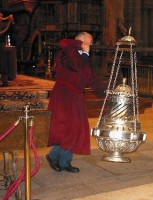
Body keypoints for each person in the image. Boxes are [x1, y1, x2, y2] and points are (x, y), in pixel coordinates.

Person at [46, 32, 106, 173]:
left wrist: (105, 91)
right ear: (83, 40)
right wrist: (85, 54)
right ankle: (56, 158)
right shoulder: (68, 51)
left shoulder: (83, 57)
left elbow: (91, 77)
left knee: (75, 129)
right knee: (67, 129)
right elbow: (75, 65)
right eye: (90, 41)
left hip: (75, 97)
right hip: (64, 95)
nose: (91, 45)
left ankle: (62, 160)